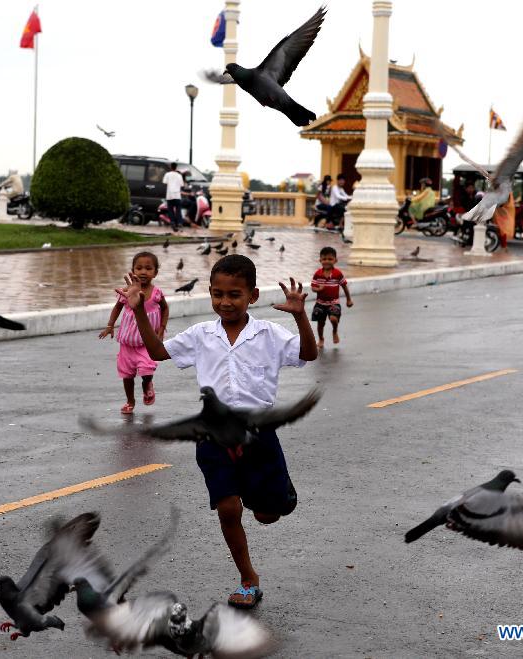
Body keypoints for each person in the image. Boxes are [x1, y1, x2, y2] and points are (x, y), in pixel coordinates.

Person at [119, 254, 318, 609]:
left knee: (267, 514)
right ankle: (247, 578)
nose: (225, 302)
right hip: (212, 434)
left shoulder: (269, 334)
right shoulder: (201, 334)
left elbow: (308, 353)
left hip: (259, 434)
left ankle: (277, 494)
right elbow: (158, 352)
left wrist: (301, 315)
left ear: (252, 295)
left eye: (234, 294)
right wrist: (136, 310)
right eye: (217, 294)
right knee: (228, 508)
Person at [99, 252, 169, 415]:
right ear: (132, 271)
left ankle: (147, 386)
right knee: (127, 375)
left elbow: (165, 308)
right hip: (127, 343)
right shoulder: (127, 291)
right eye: (139, 268)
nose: (143, 272)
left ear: (155, 272)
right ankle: (130, 401)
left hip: (147, 343)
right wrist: (110, 325)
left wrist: (162, 327)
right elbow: (118, 307)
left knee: (146, 371)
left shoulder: (157, 293)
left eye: (148, 268)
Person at [310, 246, 353, 349]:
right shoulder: (317, 274)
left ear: (335, 260)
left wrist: (349, 299)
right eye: (324, 259)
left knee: (333, 319)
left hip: (334, 302)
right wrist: (318, 289)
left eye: (330, 259)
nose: (327, 261)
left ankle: (334, 331)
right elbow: (313, 287)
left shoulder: (337, 274)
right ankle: (321, 339)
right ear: (320, 260)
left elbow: (344, 286)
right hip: (320, 303)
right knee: (320, 324)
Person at [163, 162, 184, 232]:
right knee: (178, 210)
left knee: (170, 210)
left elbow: (164, 182)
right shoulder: (179, 175)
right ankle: (180, 222)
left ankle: (172, 222)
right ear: (176, 167)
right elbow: (182, 185)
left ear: (170, 167)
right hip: (177, 195)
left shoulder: (167, 174)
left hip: (169, 195)